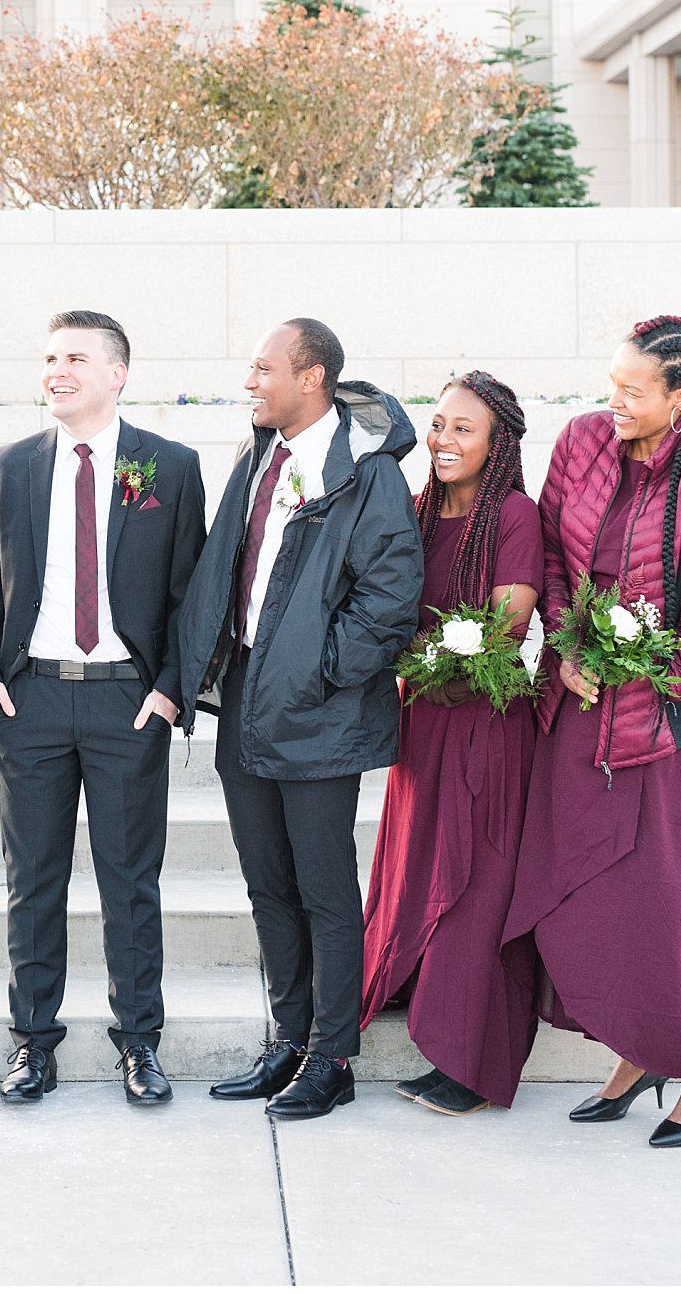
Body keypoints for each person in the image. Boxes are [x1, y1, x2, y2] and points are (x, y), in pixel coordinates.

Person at [502, 315, 681, 1148]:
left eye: (631, 391)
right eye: (609, 383)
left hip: (658, 727)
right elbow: (547, 552)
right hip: (574, 705)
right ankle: (636, 1051)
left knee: (653, 901)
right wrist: (568, 651)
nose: (612, 401)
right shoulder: (581, 441)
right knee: (576, 890)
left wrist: (653, 679)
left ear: (679, 397)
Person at [178, 319, 422, 1120]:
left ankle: (332, 1056)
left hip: (318, 707)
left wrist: (318, 673)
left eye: (262, 369)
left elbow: (388, 601)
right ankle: (287, 1041)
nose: (250, 383)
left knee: (321, 888)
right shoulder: (259, 454)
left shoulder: (365, 475)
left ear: (310, 376)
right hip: (244, 695)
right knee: (267, 885)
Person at [0, 310, 207, 1104]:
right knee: (31, 880)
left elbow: (188, 593)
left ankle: (139, 1043)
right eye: (47, 358)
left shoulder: (168, 467)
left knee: (128, 882)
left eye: (74, 357)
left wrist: (170, 691)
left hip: (124, 705)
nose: (55, 370)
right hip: (30, 699)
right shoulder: (13, 463)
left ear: (117, 373)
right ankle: (31, 1043)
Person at [361, 372, 543, 1116]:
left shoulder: (514, 517)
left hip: (486, 725)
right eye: (437, 424)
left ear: (496, 444)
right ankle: (409, 981)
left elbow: (505, 625)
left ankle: (470, 1061)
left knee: (476, 884)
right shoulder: (413, 513)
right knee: (417, 867)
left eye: (463, 429)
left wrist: (424, 658)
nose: (442, 440)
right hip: (420, 722)